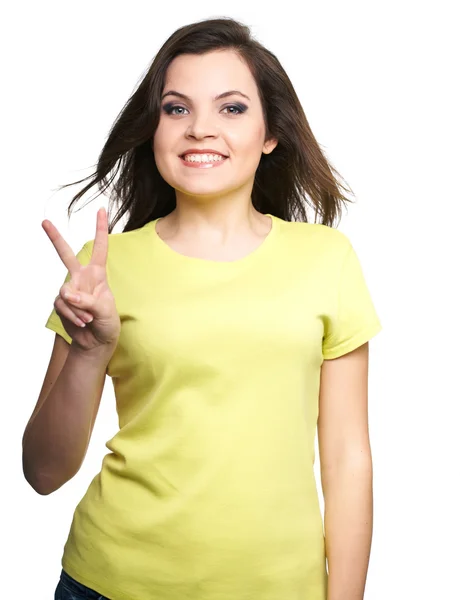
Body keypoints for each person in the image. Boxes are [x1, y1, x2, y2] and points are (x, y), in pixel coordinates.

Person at [22, 16, 382, 600]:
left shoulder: (327, 259)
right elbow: (42, 472)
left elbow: (347, 459)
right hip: (110, 582)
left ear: (271, 133)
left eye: (232, 108)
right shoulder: (102, 266)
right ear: (154, 128)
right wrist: (88, 352)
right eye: (176, 108)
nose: (200, 129)